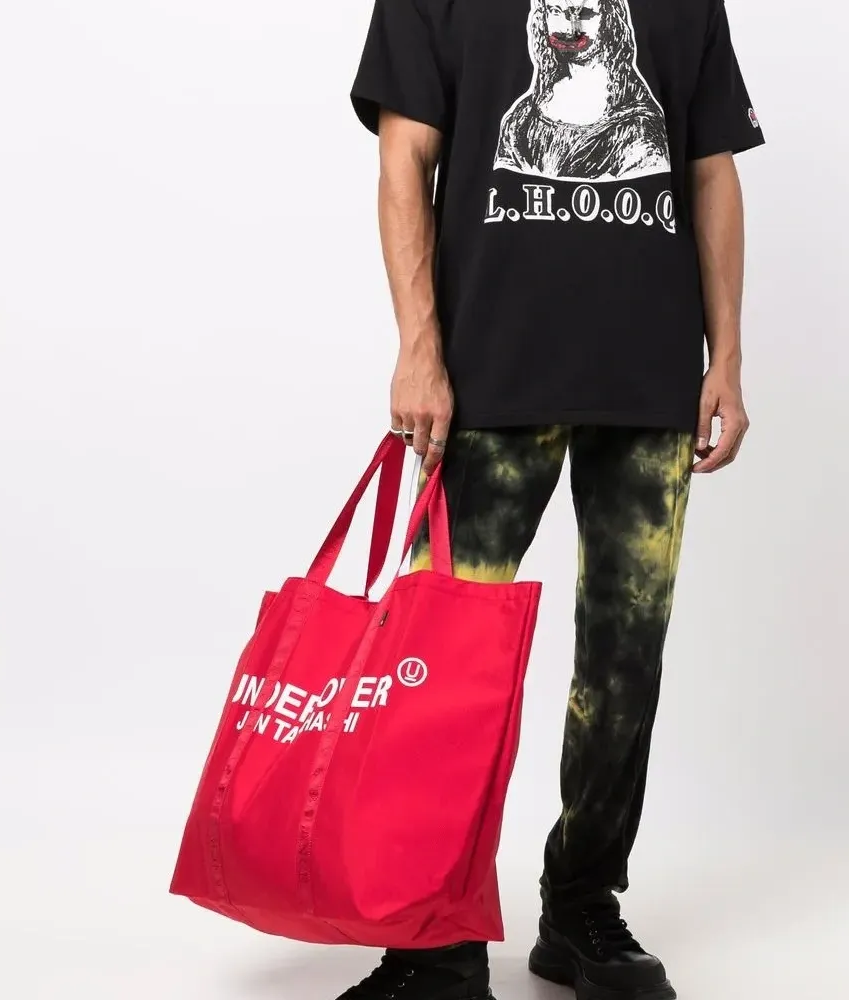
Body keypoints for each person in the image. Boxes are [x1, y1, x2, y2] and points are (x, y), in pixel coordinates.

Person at [345, 0, 764, 997]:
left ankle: (579, 904)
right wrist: (417, 349)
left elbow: (708, 167)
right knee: (439, 658)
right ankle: (434, 938)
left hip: (648, 381)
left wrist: (727, 358)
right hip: (486, 379)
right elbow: (404, 158)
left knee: (623, 662)